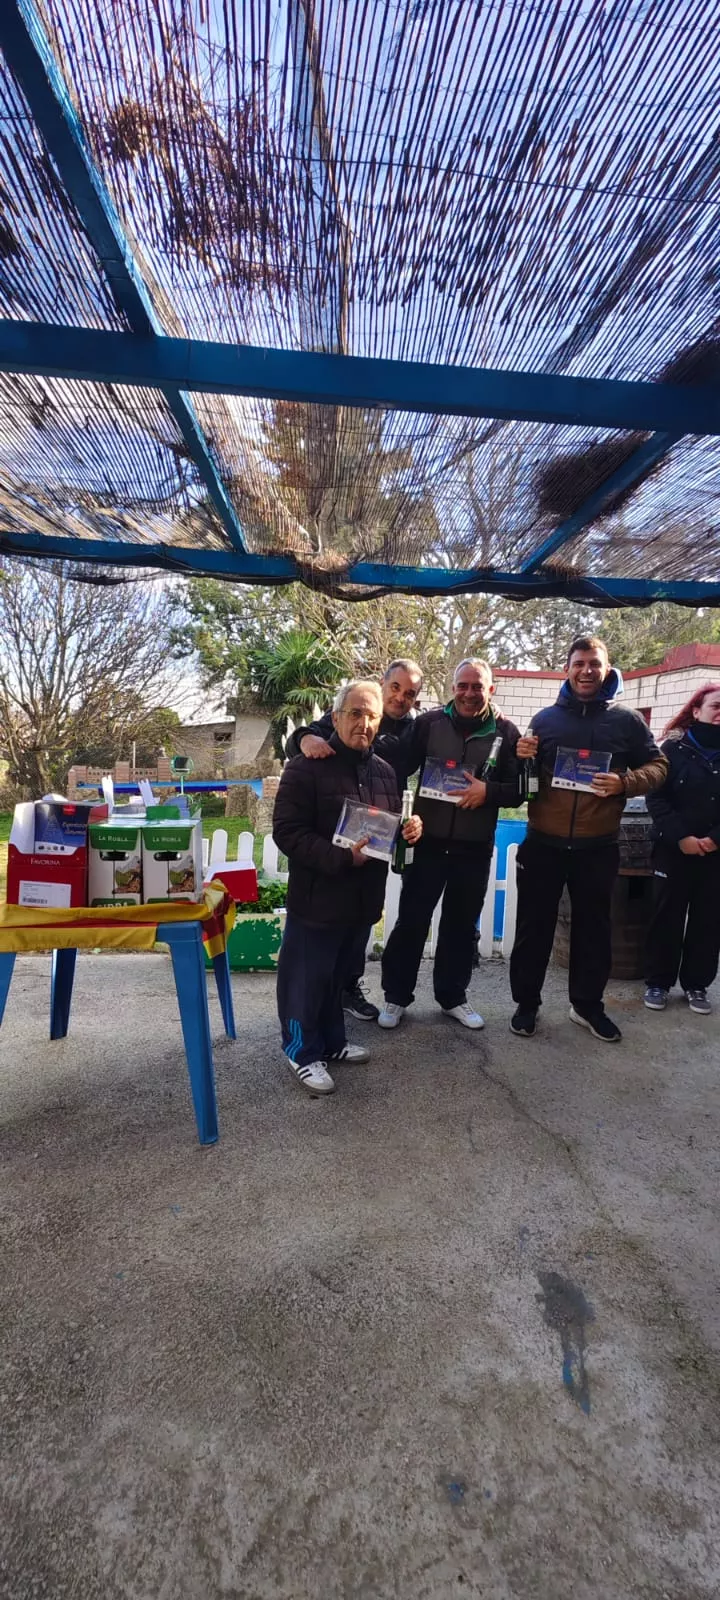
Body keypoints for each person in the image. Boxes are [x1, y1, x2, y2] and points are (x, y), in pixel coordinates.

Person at [509, 635, 667, 1043]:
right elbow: (524, 777)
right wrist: (521, 754)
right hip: (543, 843)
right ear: (567, 669)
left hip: (597, 846)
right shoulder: (545, 719)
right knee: (533, 929)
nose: (586, 671)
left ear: (607, 669)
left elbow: (658, 766)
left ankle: (587, 1007)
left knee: (594, 933)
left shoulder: (627, 721)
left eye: (594, 664)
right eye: (579, 663)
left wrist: (625, 782)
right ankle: (526, 1004)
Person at [272, 680, 423, 1096]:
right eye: (355, 713)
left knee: (336, 980)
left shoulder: (385, 772)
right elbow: (287, 832)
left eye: (371, 715)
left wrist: (409, 830)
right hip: (317, 900)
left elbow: (386, 828)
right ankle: (301, 1052)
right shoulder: (306, 766)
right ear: (336, 718)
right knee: (306, 981)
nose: (364, 723)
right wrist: (340, 858)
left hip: (361, 902)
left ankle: (332, 1043)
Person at [378, 658, 520, 1031]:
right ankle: (396, 996)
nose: (469, 693)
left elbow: (521, 789)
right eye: (463, 686)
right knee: (411, 922)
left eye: (478, 686)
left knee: (460, 927)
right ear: (453, 688)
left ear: (491, 689)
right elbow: (398, 767)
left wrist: (489, 792)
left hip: (473, 848)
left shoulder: (506, 731)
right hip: (427, 844)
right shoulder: (428, 724)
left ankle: (453, 997)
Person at [643, 683, 720, 1015]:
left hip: (715, 855)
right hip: (672, 851)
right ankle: (658, 983)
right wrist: (681, 837)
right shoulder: (672, 750)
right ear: (696, 711)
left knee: (709, 921)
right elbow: (656, 798)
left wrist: (714, 839)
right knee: (666, 918)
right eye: (716, 706)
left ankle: (697, 985)